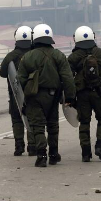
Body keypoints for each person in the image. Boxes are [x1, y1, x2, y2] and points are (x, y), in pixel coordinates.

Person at [17, 24, 76, 167]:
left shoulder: (27, 57)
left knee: (37, 126)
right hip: (53, 96)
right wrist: (70, 98)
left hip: (34, 97)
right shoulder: (59, 55)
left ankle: (41, 156)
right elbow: (68, 78)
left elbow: (20, 80)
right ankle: (54, 154)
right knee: (52, 125)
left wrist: (26, 96)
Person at [67, 26, 101, 162]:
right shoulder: (100, 53)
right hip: (98, 92)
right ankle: (100, 145)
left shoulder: (74, 56)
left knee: (84, 122)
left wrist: (70, 97)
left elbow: (68, 77)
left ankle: (85, 152)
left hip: (82, 94)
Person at [0, 26, 35, 156]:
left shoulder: (11, 56)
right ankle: (32, 146)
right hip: (33, 93)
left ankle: (19, 146)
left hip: (15, 93)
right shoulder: (35, 53)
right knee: (32, 118)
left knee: (16, 119)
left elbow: (2, 73)